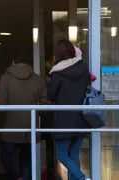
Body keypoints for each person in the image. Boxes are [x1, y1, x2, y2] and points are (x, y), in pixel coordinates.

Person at [0, 57, 47, 180]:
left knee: (7, 159)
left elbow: (1, 105)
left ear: (13, 62)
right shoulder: (37, 79)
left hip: (10, 129)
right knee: (26, 160)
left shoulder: (5, 78)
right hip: (30, 128)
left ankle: (16, 177)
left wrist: (0, 124)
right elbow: (45, 104)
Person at [48, 40, 90, 180]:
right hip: (81, 118)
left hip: (63, 120)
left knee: (62, 154)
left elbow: (51, 95)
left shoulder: (58, 72)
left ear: (58, 54)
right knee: (73, 154)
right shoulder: (83, 68)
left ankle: (80, 177)